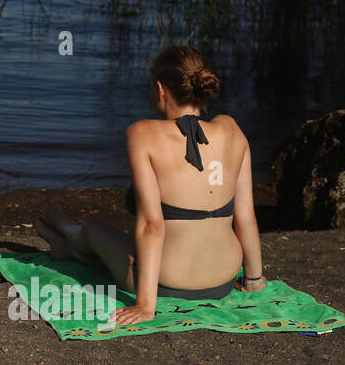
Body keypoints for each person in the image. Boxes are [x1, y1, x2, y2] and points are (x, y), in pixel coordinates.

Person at [34, 46, 267, 325]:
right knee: (129, 250)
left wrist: (145, 305)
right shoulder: (231, 129)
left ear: (160, 88)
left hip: (166, 283)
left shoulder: (143, 133)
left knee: (97, 231)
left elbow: (151, 225)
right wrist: (254, 279)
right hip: (224, 279)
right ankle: (69, 250)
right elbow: (245, 216)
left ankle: (71, 235)